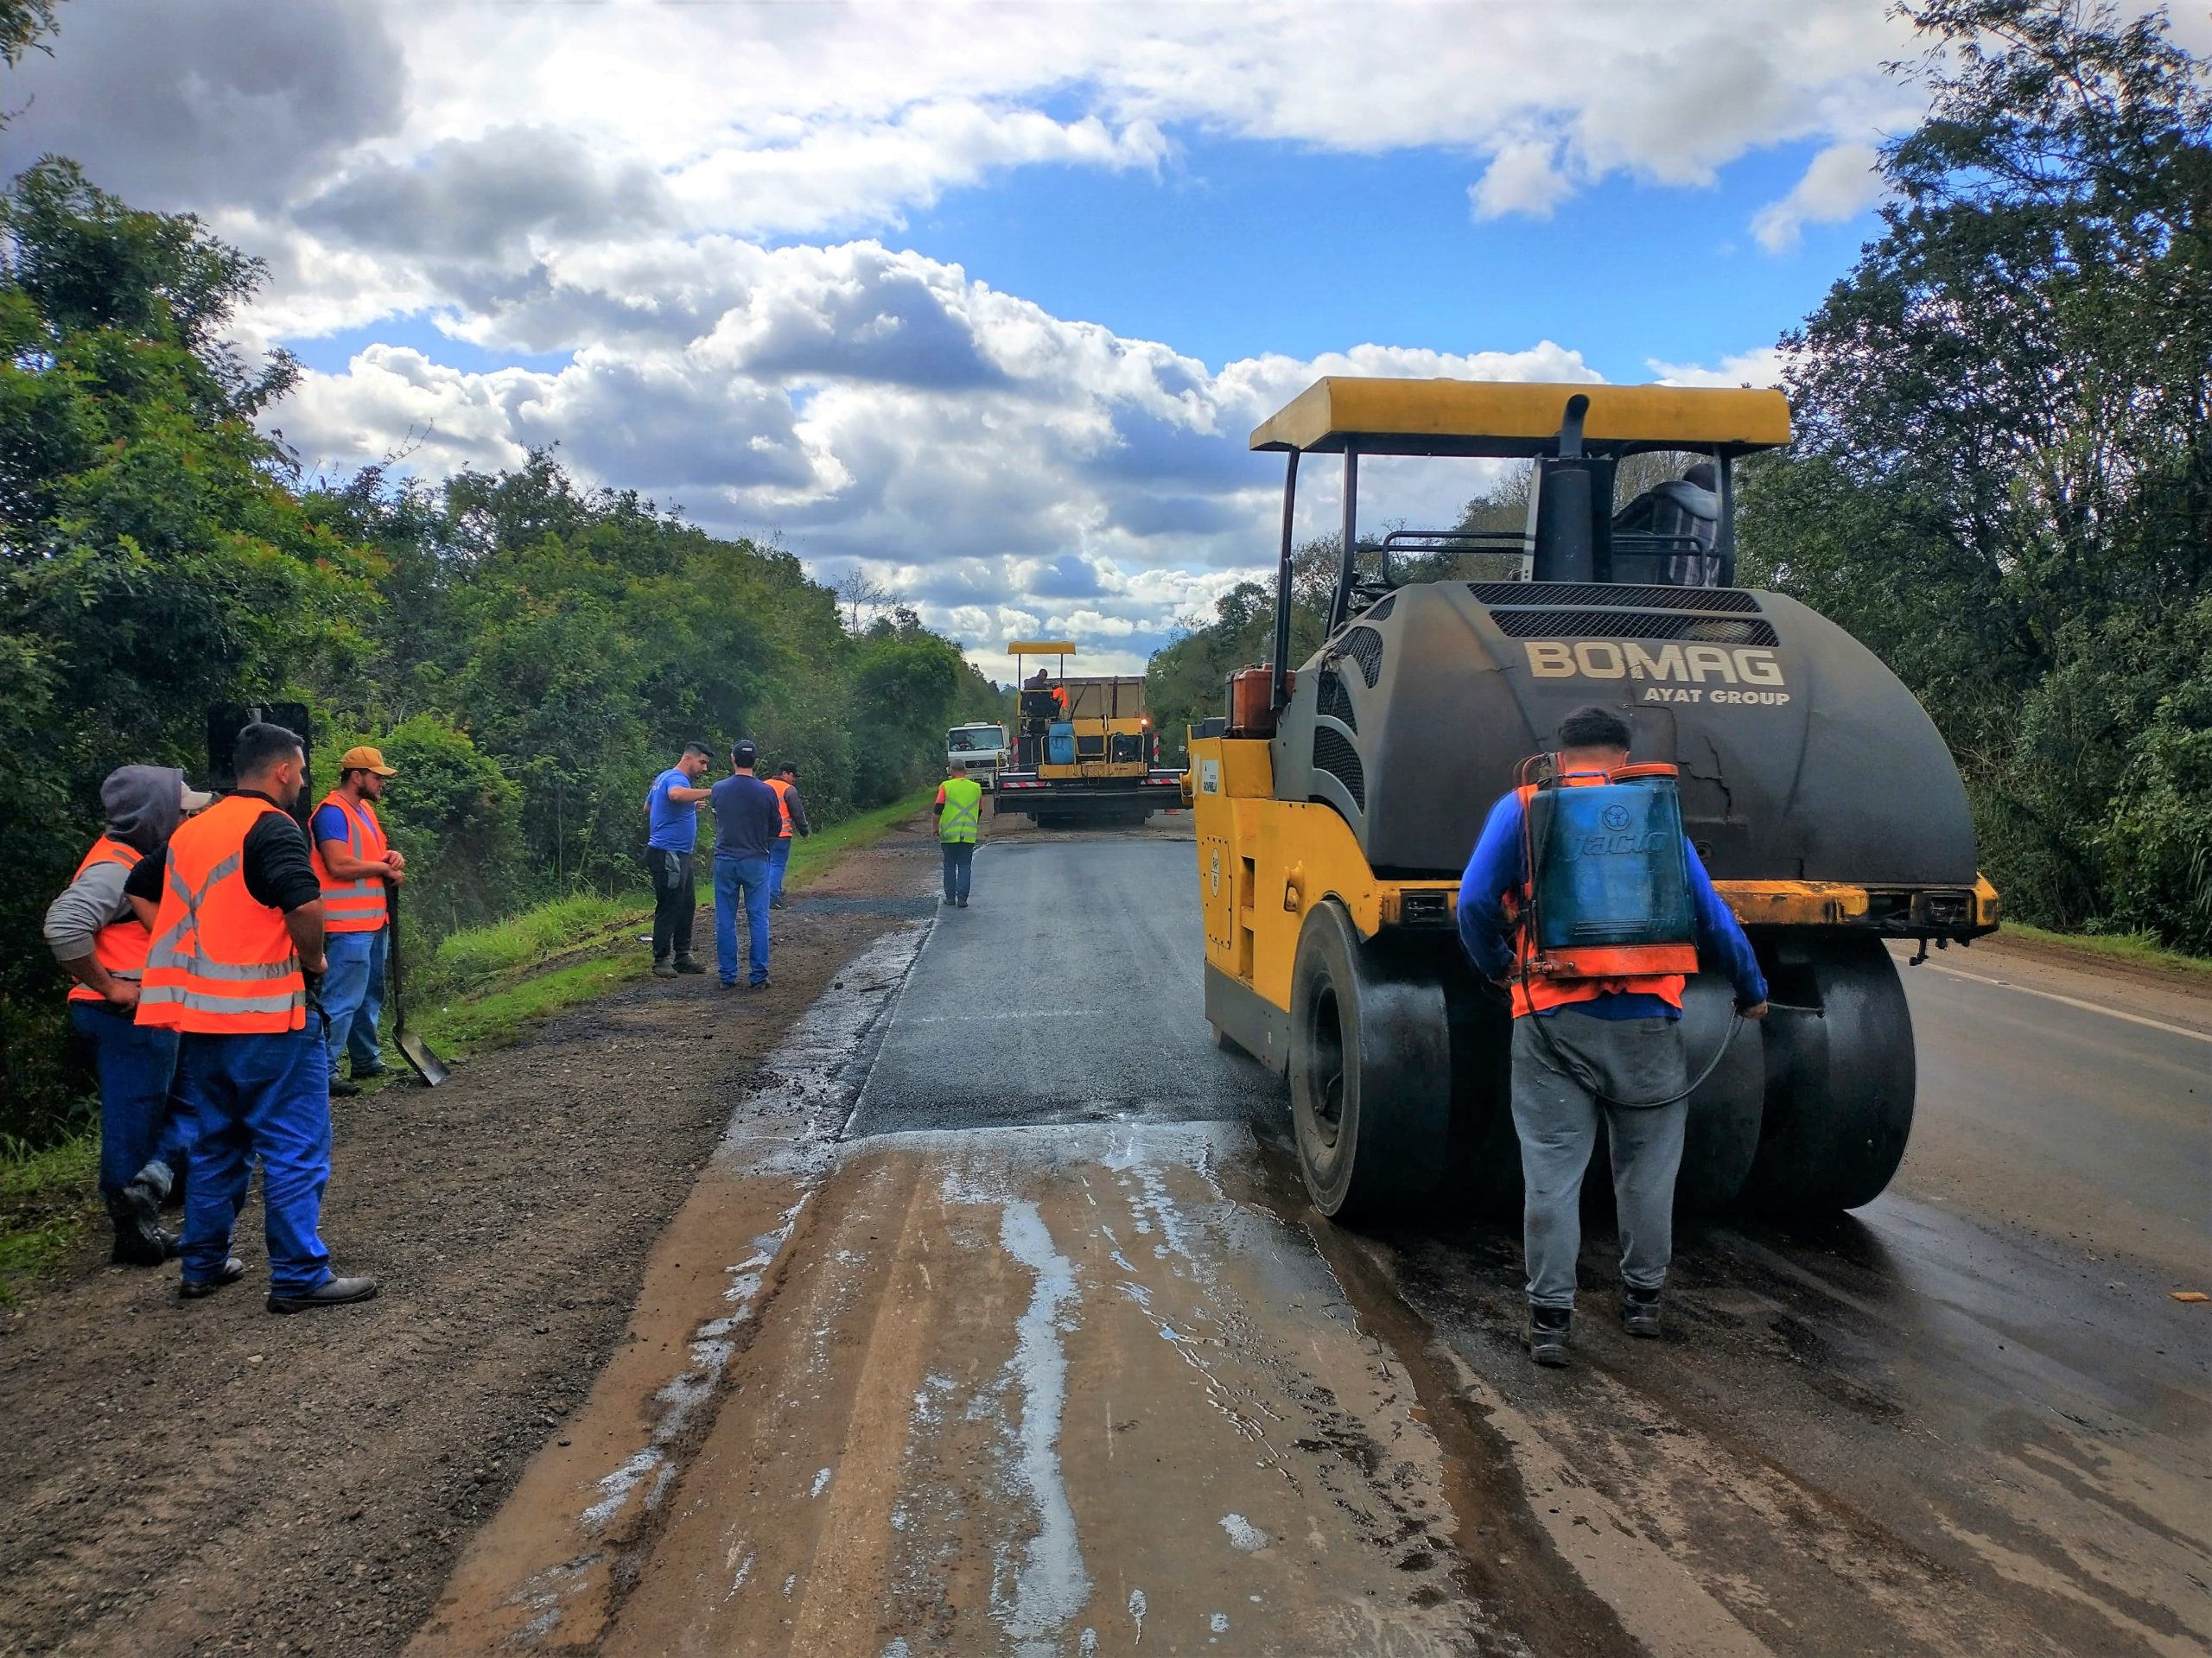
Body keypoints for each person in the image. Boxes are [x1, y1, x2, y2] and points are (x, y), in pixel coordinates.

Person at [1456, 705, 1767, 1367]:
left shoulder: (1525, 806)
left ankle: (1549, 1321)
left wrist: (1501, 968)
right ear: (1623, 758)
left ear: (1561, 756)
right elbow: (1710, 915)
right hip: (1649, 1022)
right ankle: (1644, 1302)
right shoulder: (1656, 815)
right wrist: (1753, 990)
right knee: (1648, 1171)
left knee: (1551, 1172)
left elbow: (1476, 900)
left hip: (1551, 1020)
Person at [129, 721, 378, 1312]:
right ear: (286, 769)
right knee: (294, 1145)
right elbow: (304, 901)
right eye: (299, 769)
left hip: (202, 1022)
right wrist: (314, 958)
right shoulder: (274, 827)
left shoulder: (193, 832)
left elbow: (140, 888)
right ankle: (297, 1274)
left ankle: (202, 1265)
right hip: (270, 1020)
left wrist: (188, 953)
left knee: (218, 1144)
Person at [42, 766, 213, 1265]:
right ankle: (132, 1231)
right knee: (134, 1121)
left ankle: (154, 1188)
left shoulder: (137, 858)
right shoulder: (116, 867)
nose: (189, 818)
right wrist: (112, 985)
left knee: (186, 1103)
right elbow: (64, 925)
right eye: (182, 810)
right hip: (126, 1013)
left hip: (147, 1010)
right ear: (155, 814)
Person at [310, 746, 405, 1097]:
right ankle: (324, 1071)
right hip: (347, 926)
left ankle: (366, 1060)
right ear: (357, 777)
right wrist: (383, 868)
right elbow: (338, 865)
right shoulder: (332, 813)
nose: (382, 783)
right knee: (341, 999)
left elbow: (373, 857)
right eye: (377, 776)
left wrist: (392, 860)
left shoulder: (363, 810)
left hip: (372, 920)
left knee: (368, 995)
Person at [709, 740, 782, 988]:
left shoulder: (718, 789)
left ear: (732, 758)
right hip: (756, 859)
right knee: (758, 917)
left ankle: (727, 976)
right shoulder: (766, 791)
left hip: (725, 860)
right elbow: (775, 826)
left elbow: (717, 819)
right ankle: (758, 976)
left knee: (725, 919)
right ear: (756, 761)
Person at [645, 742, 715, 979]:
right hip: (668, 853)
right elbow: (675, 795)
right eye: (702, 762)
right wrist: (711, 791)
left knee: (687, 904)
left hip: (679, 854)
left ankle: (683, 955)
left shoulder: (662, 777)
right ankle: (661, 959)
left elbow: (649, 807)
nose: (704, 768)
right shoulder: (677, 778)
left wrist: (689, 807)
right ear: (688, 759)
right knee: (670, 905)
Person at [933, 767, 984, 908]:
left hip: (949, 833)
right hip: (968, 833)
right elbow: (979, 810)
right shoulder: (976, 787)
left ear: (951, 771)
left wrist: (934, 827)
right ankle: (962, 899)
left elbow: (938, 808)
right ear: (965, 771)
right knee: (965, 865)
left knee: (949, 864)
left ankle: (950, 898)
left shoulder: (946, 786)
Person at [765, 761, 811, 911]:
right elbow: (798, 813)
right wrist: (804, 832)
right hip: (781, 834)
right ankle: (772, 898)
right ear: (784, 773)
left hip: (761, 834)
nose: (794, 779)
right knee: (777, 865)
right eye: (793, 776)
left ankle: (766, 894)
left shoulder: (762, 785)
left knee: (765, 865)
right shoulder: (789, 790)